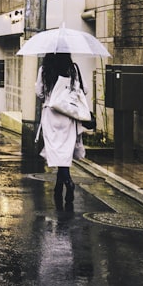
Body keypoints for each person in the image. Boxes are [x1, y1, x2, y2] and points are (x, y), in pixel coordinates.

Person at [36, 52, 91, 206]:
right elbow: (84, 89)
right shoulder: (73, 69)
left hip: (50, 114)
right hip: (68, 114)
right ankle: (59, 185)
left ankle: (67, 182)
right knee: (65, 152)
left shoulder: (45, 69)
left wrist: (48, 97)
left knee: (55, 151)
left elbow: (39, 93)